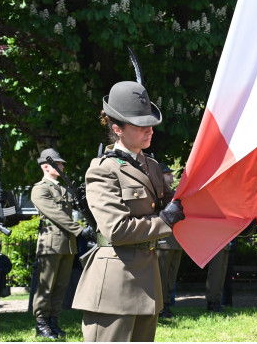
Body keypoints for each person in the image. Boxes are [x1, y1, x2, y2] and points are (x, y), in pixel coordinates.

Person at [72, 81, 185, 342]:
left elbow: (180, 207)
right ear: (117, 129)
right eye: (139, 124)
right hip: (114, 284)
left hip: (148, 283)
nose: (149, 129)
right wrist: (165, 219)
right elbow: (117, 230)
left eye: (150, 123)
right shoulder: (103, 169)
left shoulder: (153, 166)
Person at [30, 148, 96, 339]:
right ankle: (41, 324)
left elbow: (80, 206)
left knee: (60, 286)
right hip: (51, 242)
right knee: (46, 286)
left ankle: (53, 322)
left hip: (67, 244)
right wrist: (80, 230)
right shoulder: (40, 189)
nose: (61, 166)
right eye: (58, 164)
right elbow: (56, 214)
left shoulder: (65, 189)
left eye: (61, 163)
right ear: (45, 166)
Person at [156, 163, 184, 318]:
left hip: (175, 241)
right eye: (168, 174)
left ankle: (166, 306)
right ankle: (159, 307)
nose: (172, 176)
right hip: (164, 241)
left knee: (170, 276)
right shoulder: (157, 193)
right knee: (161, 276)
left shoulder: (174, 194)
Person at [206, 242, 230, 312]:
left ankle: (217, 301)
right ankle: (212, 301)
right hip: (216, 243)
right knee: (215, 274)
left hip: (225, 243)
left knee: (221, 275)